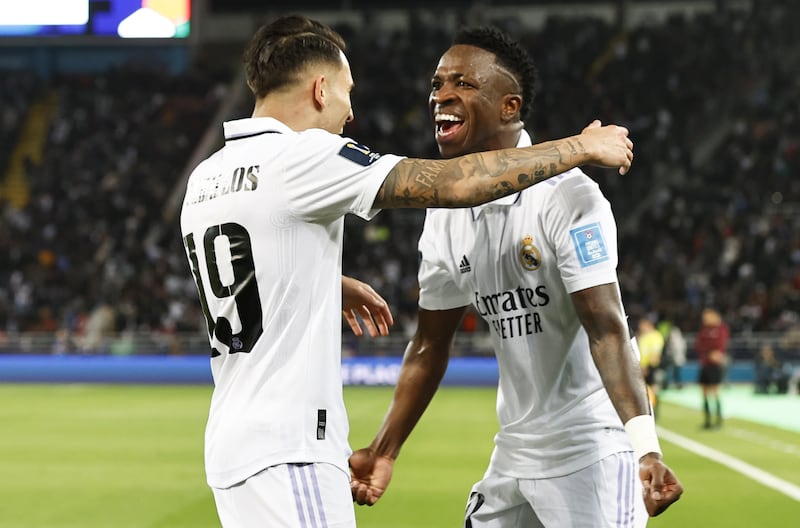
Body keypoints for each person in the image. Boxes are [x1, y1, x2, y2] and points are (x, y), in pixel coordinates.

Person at [179, 15, 635, 528]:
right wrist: (580, 147)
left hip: (231, 446)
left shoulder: (207, 177)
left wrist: (324, 282)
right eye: (348, 93)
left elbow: (244, 269)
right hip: (291, 447)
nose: (350, 113)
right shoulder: (302, 155)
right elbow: (454, 185)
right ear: (320, 88)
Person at [349, 26, 682, 526]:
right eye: (437, 84)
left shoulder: (569, 198)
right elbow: (428, 345)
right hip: (514, 450)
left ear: (509, 106)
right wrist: (383, 448)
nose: (441, 95)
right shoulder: (444, 213)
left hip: (588, 449)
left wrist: (647, 449)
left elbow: (608, 330)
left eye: (462, 83)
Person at [694, 307, 730, 429]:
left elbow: (719, 347)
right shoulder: (703, 330)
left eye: (708, 316)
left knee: (715, 392)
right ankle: (707, 420)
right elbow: (699, 345)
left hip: (714, 366)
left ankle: (719, 420)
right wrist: (710, 352)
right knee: (704, 392)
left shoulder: (721, 329)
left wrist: (712, 352)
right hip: (705, 364)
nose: (705, 319)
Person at [636, 317, 664, 418]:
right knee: (643, 390)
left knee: (653, 389)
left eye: (643, 325)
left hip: (651, 367)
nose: (640, 327)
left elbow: (655, 354)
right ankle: (646, 411)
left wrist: (647, 366)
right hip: (642, 367)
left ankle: (655, 413)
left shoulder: (655, 336)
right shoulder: (643, 336)